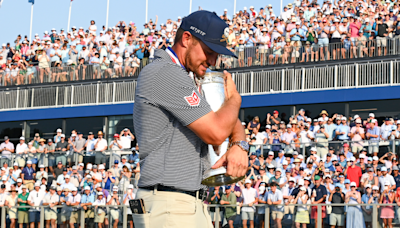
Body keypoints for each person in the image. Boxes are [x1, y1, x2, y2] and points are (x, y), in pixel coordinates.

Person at [133, 11, 247, 228]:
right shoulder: (165, 72)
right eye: (209, 51)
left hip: (182, 203)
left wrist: (239, 145)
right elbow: (216, 132)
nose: (213, 61)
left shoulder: (185, 76)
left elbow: (228, 121)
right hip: (169, 204)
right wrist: (234, 99)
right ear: (186, 39)